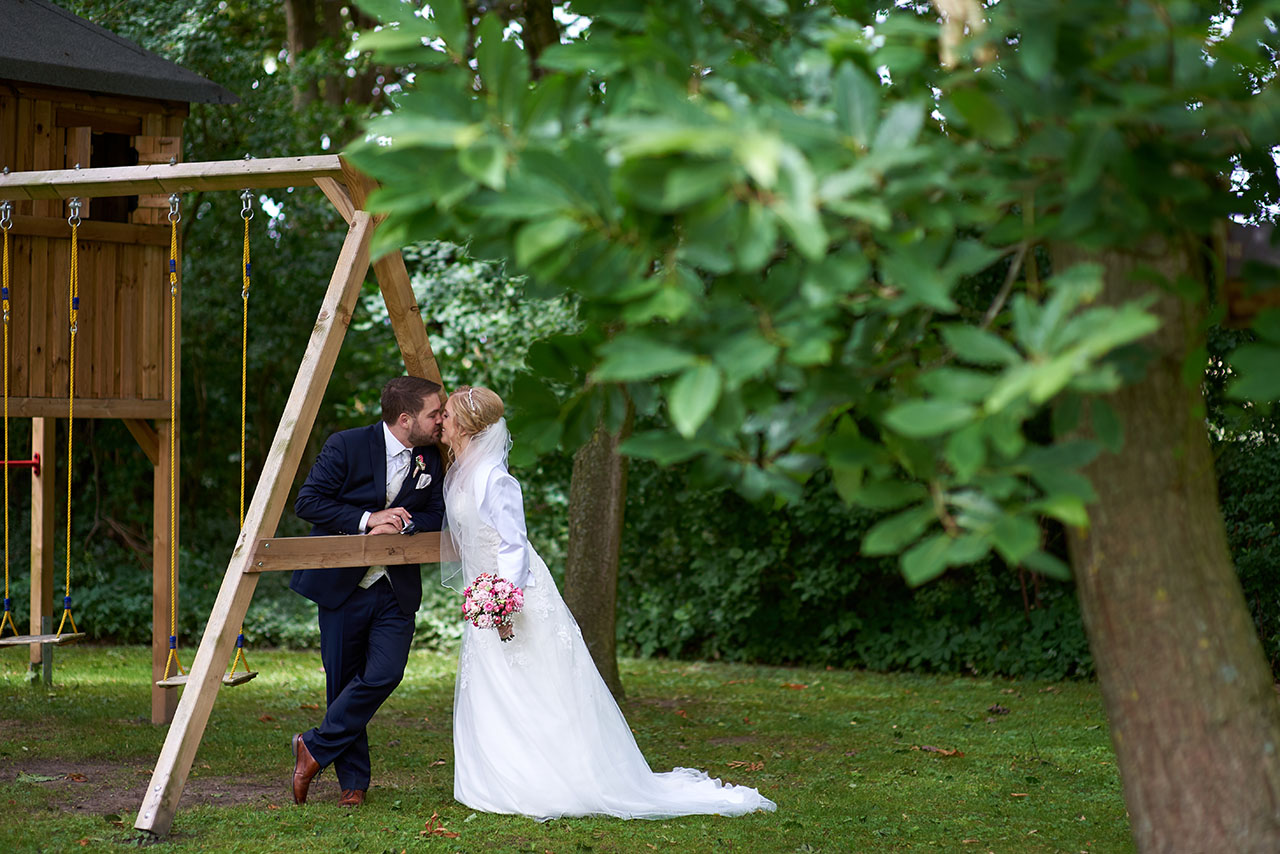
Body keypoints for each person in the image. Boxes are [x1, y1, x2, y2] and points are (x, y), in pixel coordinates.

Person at [440, 385, 777, 820]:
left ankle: (551, 778)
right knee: (494, 682)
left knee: (537, 681)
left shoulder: (495, 479)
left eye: (446, 416)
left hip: (511, 595)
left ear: (466, 426)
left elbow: (513, 545)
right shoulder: (461, 472)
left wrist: (504, 602)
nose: (441, 422)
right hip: (484, 594)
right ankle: (496, 774)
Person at [289, 376, 446, 807]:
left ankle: (314, 746)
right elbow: (308, 501)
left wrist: (408, 523)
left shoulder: (432, 457)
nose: (441, 420)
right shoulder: (347, 445)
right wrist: (368, 518)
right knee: (341, 682)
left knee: (385, 673)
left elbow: (436, 511)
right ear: (404, 418)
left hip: (396, 587)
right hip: (342, 586)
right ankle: (352, 785)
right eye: (435, 413)